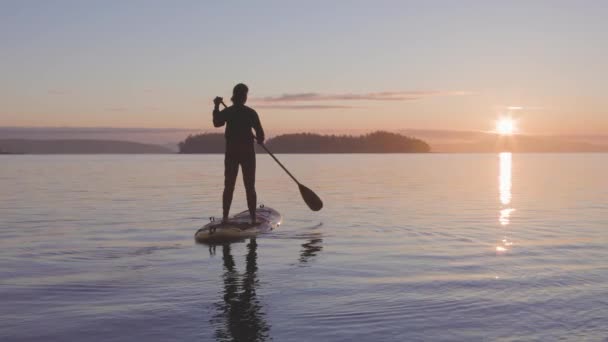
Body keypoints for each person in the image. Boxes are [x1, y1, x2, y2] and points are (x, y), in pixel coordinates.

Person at [213, 83, 265, 224]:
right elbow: (260, 134)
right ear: (242, 97)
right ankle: (252, 218)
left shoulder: (230, 112)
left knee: (230, 186)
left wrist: (216, 106)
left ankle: (226, 217)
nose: (245, 97)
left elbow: (217, 122)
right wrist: (260, 139)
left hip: (234, 153)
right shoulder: (250, 112)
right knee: (248, 186)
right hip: (245, 154)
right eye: (245, 95)